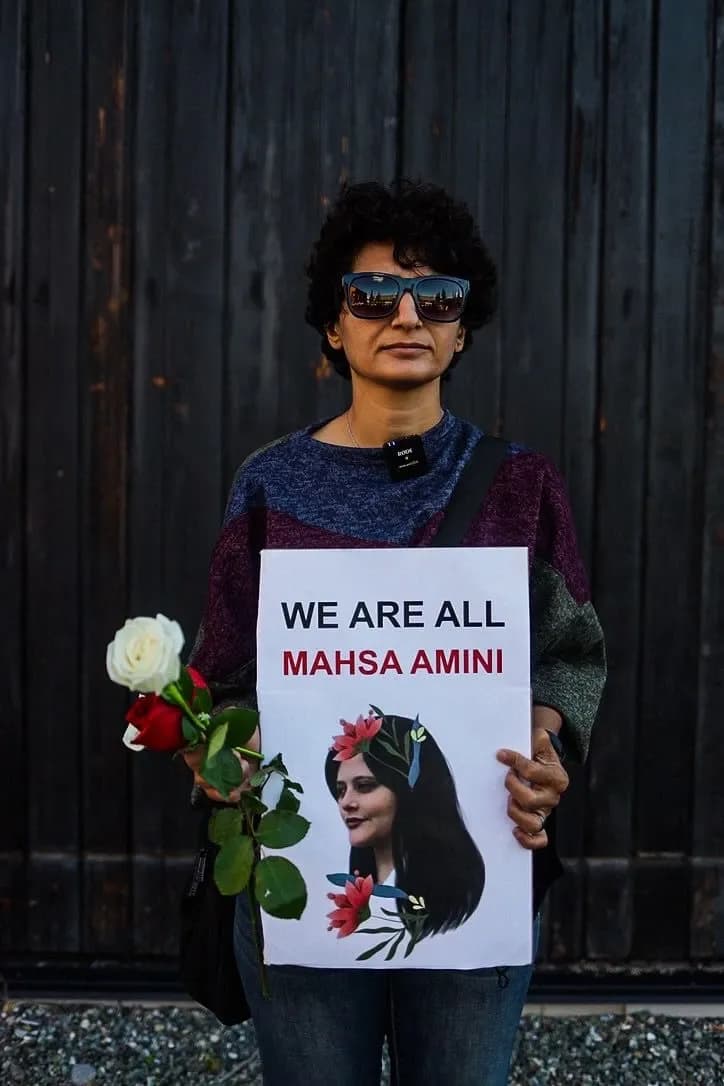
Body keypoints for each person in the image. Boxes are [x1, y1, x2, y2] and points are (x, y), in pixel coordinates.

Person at [185, 179, 606, 1086]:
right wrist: (226, 749)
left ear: (462, 327)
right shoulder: (270, 485)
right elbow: (221, 671)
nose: (406, 313)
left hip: (480, 865)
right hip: (301, 879)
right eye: (373, 294)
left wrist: (545, 743)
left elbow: (570, 653)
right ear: (334, 326)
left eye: (437, 297)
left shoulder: (522, 485)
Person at [324, 708, 485, 940]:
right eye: (340, 790)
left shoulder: (451, 897)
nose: (346, 802)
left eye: (365, 786)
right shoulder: (366, 896)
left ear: (410, 790)